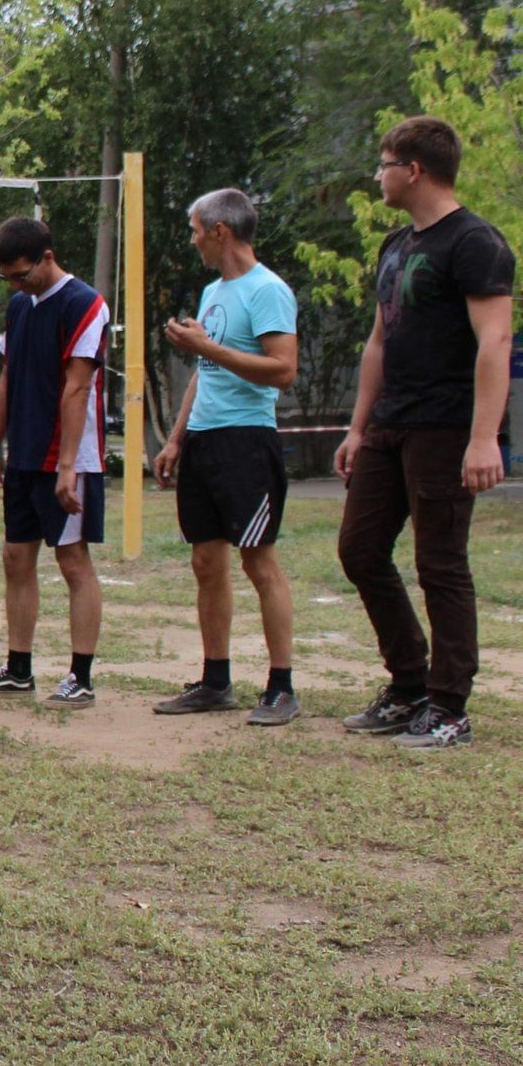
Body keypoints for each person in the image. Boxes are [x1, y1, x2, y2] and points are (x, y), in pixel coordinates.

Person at [334, 116, 515, 750]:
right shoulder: (396, 245)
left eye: (383, 165)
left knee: (440, 564)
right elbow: (380, 339)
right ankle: (409, 685)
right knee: (359, 551)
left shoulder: (475, 243)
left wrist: (483, 437)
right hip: (390, 425)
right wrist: (359, 427)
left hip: (445, 426)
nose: (378, 176)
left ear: (413, 170)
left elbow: (495, 341)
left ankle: (449, 707)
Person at [150, 189, 301, 725]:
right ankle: (216, 681)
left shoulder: (268, 290)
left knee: (258, 560)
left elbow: (283, 370)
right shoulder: (215, 289)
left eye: (195, 230)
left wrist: (206, 348)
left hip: (246, 441)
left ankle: (281, 687)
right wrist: (176, 438)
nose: (192, 240)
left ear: (220, 231)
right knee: (204, 561)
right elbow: (204, 374)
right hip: (205, 441)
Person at [0, 217, 108, 708]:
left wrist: (69, 467)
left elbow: (77, 387)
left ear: (47, 258)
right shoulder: (18, 306)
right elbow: (7, 379)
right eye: (7, 277)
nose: (15, 284)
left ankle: (81, 675)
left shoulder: (85, 304)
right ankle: (18, 667)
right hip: (25, 456)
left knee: (72, 561)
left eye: (21, 275)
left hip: (69, 456)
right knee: (16, 557)